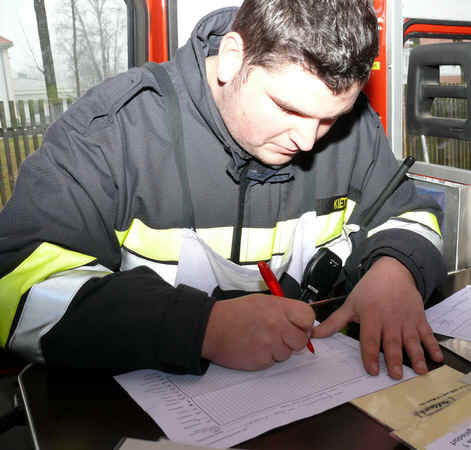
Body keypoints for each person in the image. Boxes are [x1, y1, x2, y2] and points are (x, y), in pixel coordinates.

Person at [0, 0, 446, 380]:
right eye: (287, 108)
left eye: (330, 118)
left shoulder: (355, 128)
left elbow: (412, 215)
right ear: (233, 58)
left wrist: (396, 270)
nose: (309, 141)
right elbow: (18, 290)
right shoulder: (111, 132)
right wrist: (200, 328)